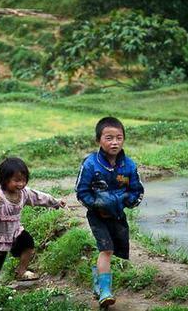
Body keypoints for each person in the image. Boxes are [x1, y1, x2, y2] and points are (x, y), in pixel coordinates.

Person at [75, 117, 145, 307]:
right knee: (106, 249)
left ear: (123, 139)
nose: (114, 142)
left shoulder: (129, 166)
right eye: (109, 138)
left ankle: (98, 283)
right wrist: (98, 205)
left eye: (119, 138)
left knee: (116, 251)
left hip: (118, 215)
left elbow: (137, 190)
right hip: (97, 216)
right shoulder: (90, 164)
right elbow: (81, 192)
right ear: (98, 140)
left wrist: (126, 203)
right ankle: (106, 292)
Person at [0, 156, 65, 288]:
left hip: (15, 231)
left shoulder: (24, 193)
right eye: (17, 180)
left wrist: (56, 202)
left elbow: (39, 197)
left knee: (28, 243)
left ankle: (21, 271)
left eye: (24, 180)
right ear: (5, 180)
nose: (21, 184)